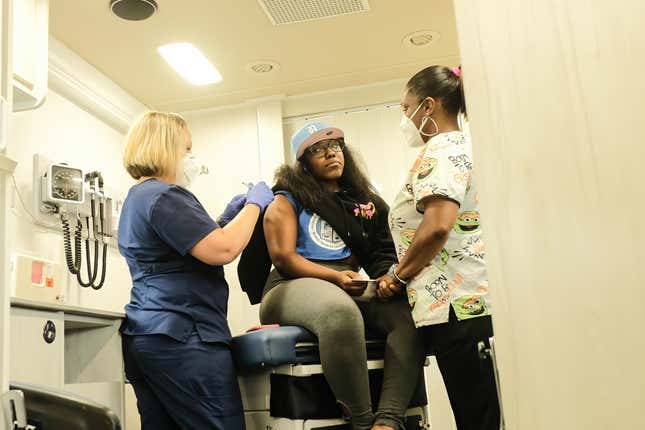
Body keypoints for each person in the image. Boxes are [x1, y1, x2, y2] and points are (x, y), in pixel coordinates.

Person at [259, 122, 426, 430]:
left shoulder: (364, 201)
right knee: (339, 313)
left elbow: (382, 252)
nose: (331, 153)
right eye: (318, 150)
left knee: (410, 316)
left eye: (336, 146)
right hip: (289, 285)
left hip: (346, 283)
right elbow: (284, 258)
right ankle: (362, 423)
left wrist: (389, 279)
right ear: (303, 162)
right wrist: (334, 278)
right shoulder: (287, 197)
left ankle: (387, 422)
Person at [118, 111, 274, 430]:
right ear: (165, 147)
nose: (191, 158)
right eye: (186, 149)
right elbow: (223, 249)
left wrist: (223, 221)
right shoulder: (165, 195)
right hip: (184, 337)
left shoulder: (138, 198)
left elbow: (183, 251)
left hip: (147, 336)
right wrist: (254, 206)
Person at [378, 65, 500, 430]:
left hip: (458, 306)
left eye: (406, 108)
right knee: (486, 413)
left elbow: (436, 228)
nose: (405, 118)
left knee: (477, 417)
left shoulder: (443, 150)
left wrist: (397, 277)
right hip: (467, 301)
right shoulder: (465, 147)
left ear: (427, 106)